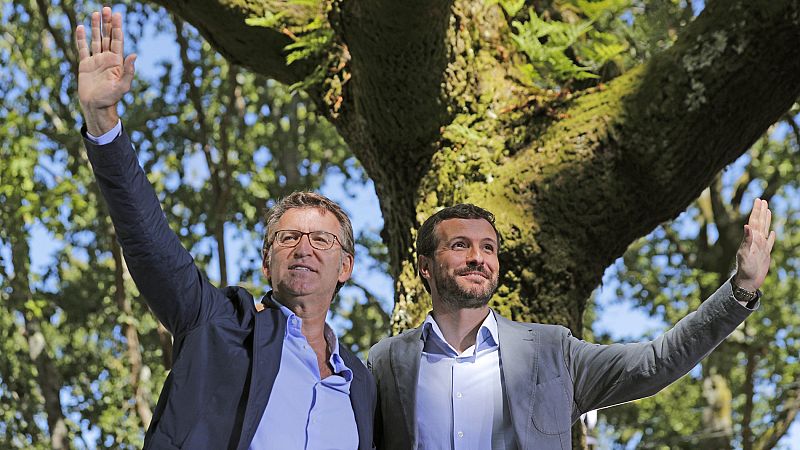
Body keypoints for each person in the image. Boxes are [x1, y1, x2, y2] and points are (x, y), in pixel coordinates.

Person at [75, 7, 375, 449]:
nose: (303, 248)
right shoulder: (217, 326)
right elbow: (147, 240)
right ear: (266, 261)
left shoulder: (363, 385)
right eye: (287, 238)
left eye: (321, 239)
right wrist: (103, 125)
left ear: (345, 266)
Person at [369, 200, 774, 449]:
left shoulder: (552, 352)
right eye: (461, 245)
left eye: (488, 248)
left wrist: (740, 290)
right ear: (425, 267)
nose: (479, 257)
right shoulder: (385, 362)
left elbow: (657, 362)